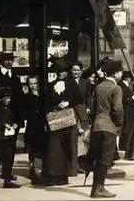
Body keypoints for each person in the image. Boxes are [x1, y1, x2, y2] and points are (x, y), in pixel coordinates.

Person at [84, 60, 124, 198]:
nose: (121, 74)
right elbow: (118, 110)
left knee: (98, 157)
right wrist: (119, 124)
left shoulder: (98, 87)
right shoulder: (116, 88)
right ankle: (99, 189)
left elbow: (92, 108)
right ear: (116, 73)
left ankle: (96, 188)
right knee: (105, 159)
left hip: (97, 126)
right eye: (120, 72)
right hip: (109, 127)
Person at [41, 58, 80, 186]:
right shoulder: (51, 85)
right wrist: (54, 106)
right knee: (55, 148)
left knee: (67, 147)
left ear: (66, 72)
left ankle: (65, 175)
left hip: (68, 118)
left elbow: (79, 98)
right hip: (56, 119)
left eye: (62, 72)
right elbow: (46, 101)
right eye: (58, 72)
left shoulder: (72, 84)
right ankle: (55, 174)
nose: (60, 74)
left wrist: (68, 102)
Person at [0, 51, 24, 184]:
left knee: (11, 147)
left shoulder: (16, 77)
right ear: (1, 61)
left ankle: (7, 174)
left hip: (13, 118)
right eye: (6, 60)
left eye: (11, 60)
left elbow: (19, 100)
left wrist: (18, 120)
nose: (9, 62)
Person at [0, 87, 21, 188]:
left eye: (9, 98)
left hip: (10, 138)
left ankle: (7, 181)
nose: (8, 100)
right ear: (0, 98)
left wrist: (16, 124)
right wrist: (3, 125)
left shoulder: (12, 108)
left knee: (9, 159)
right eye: (6, 98)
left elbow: (19, 119)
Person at [70, 61, 93, 170]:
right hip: (71, 110)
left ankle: (82, 161)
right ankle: (74, 163)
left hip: (82, 109)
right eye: (74, 70)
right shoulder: (67, 82)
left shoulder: (85, 82)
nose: (76, 72)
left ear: (81, 71)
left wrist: (88, 107)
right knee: (74, 134)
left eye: (78, 70)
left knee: (84, 134)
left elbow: (89, 96)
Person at [22, 76, 46, 182]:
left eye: (34, 83)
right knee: (32, 150)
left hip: (43, 125)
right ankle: (32, 172)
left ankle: (42, 171)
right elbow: (24, 112)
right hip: (32, 126)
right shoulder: (26, 97)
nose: (33, 86)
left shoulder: (43, 95)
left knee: (42, 149)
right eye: (30, 84)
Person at [118, 71, 134, 160]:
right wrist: (133, 99)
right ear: (127, 78)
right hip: (127, 109)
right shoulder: (122, 86)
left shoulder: (126, 85)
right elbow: (124, 98)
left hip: (130, 109)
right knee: (127, 128)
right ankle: (124, 147)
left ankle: (125, 147)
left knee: (128, 128)